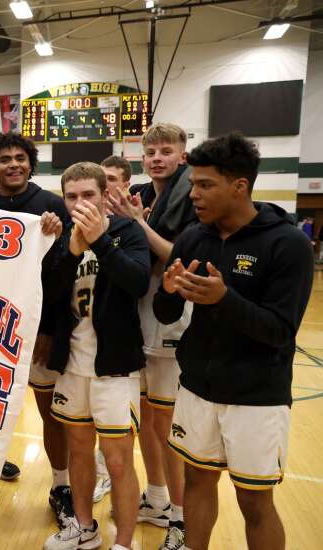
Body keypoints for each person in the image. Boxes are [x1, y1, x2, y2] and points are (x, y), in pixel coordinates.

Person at [154, 133, 314, 550]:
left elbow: (280, 331)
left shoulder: (288, 243)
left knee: (255, 501)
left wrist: (225, 299)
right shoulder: (192, 238)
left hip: (256, 396)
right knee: (196, 481)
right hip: (197, 388)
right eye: (193, 184)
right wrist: (168, 294)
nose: (194, 194)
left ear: (239, 186)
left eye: (205, 185)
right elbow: (165, 315)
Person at [43, 162, 150, 550]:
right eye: (71, 196)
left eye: (88, 194)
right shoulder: (60, 237)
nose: (79, 203)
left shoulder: (127, 231)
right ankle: (85, 528)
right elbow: (48, 295)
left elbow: (138, 282)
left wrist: (100, 241)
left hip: (114, 367)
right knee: (78, 453)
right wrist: (70, 251)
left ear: (105, 195)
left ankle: (123, 542)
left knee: (118, 461)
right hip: (72, 364)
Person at [108, 123, 194, 548]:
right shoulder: (150, 194)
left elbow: (179, 257)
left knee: (167, 427)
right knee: (147, 421)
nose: (158, 157)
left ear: (182, 155)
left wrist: (136, 224)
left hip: (174, 324)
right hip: (144, 319)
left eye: (167, 150)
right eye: (151, 152)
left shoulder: (191, 197)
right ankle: (158, 499)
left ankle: (180, 519)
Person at [0, 131, 73, 525]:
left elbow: (64, 273)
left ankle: (61, 484)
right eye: (5, 159)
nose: (13, 164)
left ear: (31, 162)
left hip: (39, 328)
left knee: (49, 411)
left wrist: (49, 330)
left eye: (20, 157)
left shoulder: (52, 206)